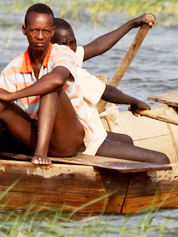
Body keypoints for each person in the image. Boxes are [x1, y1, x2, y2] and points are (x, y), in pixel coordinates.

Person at [0, 3, 94, 165]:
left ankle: (41, 154)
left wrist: (13, 95)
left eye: (46, 31)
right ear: (24, 30)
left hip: (69, 140)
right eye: (35, 30)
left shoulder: (62, 53)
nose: (40, 37)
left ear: (52, 32)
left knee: (51, 89)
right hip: (35, 136)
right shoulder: (13, 68)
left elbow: (56, 79)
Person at [50, 15, 170, 165]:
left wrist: (133, 23)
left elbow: (99, 45)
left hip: (84, 134)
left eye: (73, 42)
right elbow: (107, 92)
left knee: (126, 140)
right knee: (161, 159)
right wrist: (134, 102)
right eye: (64, 44)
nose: (70, 48)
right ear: (52, 47)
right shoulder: (68, 71)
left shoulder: (63, 56)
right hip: (86, 142)